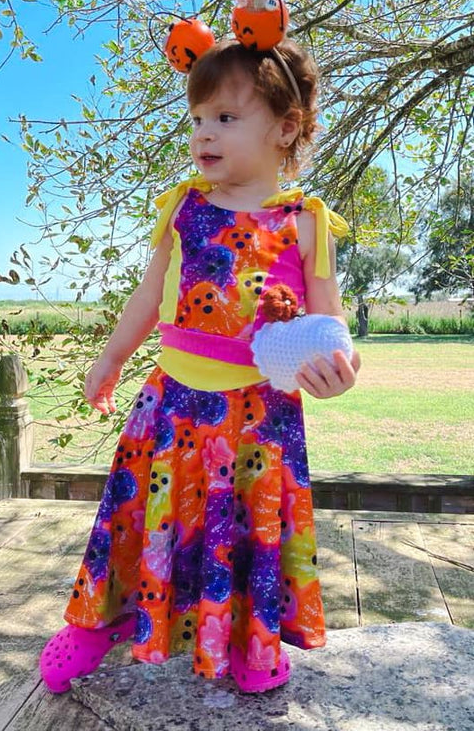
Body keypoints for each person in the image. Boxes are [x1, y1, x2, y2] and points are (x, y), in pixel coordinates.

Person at [39, 37, 360, 695]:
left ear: (285, 128)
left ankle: (249, 638)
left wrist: (341, 369)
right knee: (137, 520)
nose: (203, 133)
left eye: (225, 117)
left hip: (259, 418)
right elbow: (147, 297)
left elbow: (329, 323)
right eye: (197, 118)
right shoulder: (183, 208)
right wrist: (110, 359)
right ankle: (97, 622)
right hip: (173, 405)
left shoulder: (305, 223)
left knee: (243, 531)